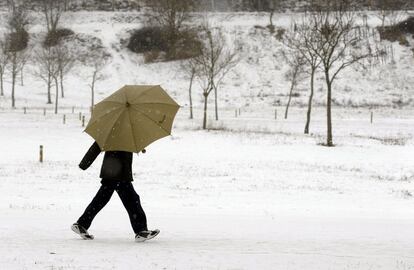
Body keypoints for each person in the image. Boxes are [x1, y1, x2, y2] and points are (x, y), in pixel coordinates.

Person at [71, 141, 159, 242]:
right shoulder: (116, 131)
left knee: (101, 199)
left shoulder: (124, 132)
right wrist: (84, 164)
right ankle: (141, 231)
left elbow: (98, 145)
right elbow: (97, 145)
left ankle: (81, 224)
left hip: (114, 172)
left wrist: (137, 146)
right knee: (132, 200)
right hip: (118, 173)